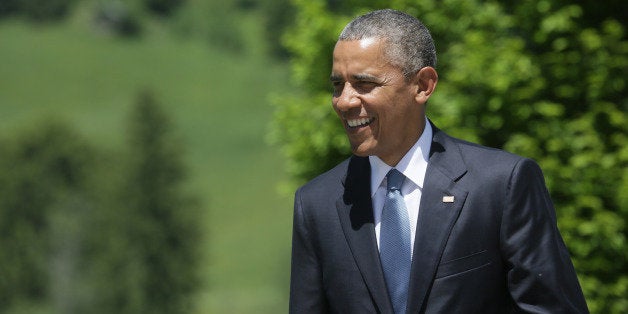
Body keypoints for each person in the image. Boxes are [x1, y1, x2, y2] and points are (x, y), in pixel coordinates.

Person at [289, 9, 588, 314]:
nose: (344, 101)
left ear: (423, 85)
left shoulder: (499, 185)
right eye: (338, 85)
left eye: (364, 84)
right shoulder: (317, 204)